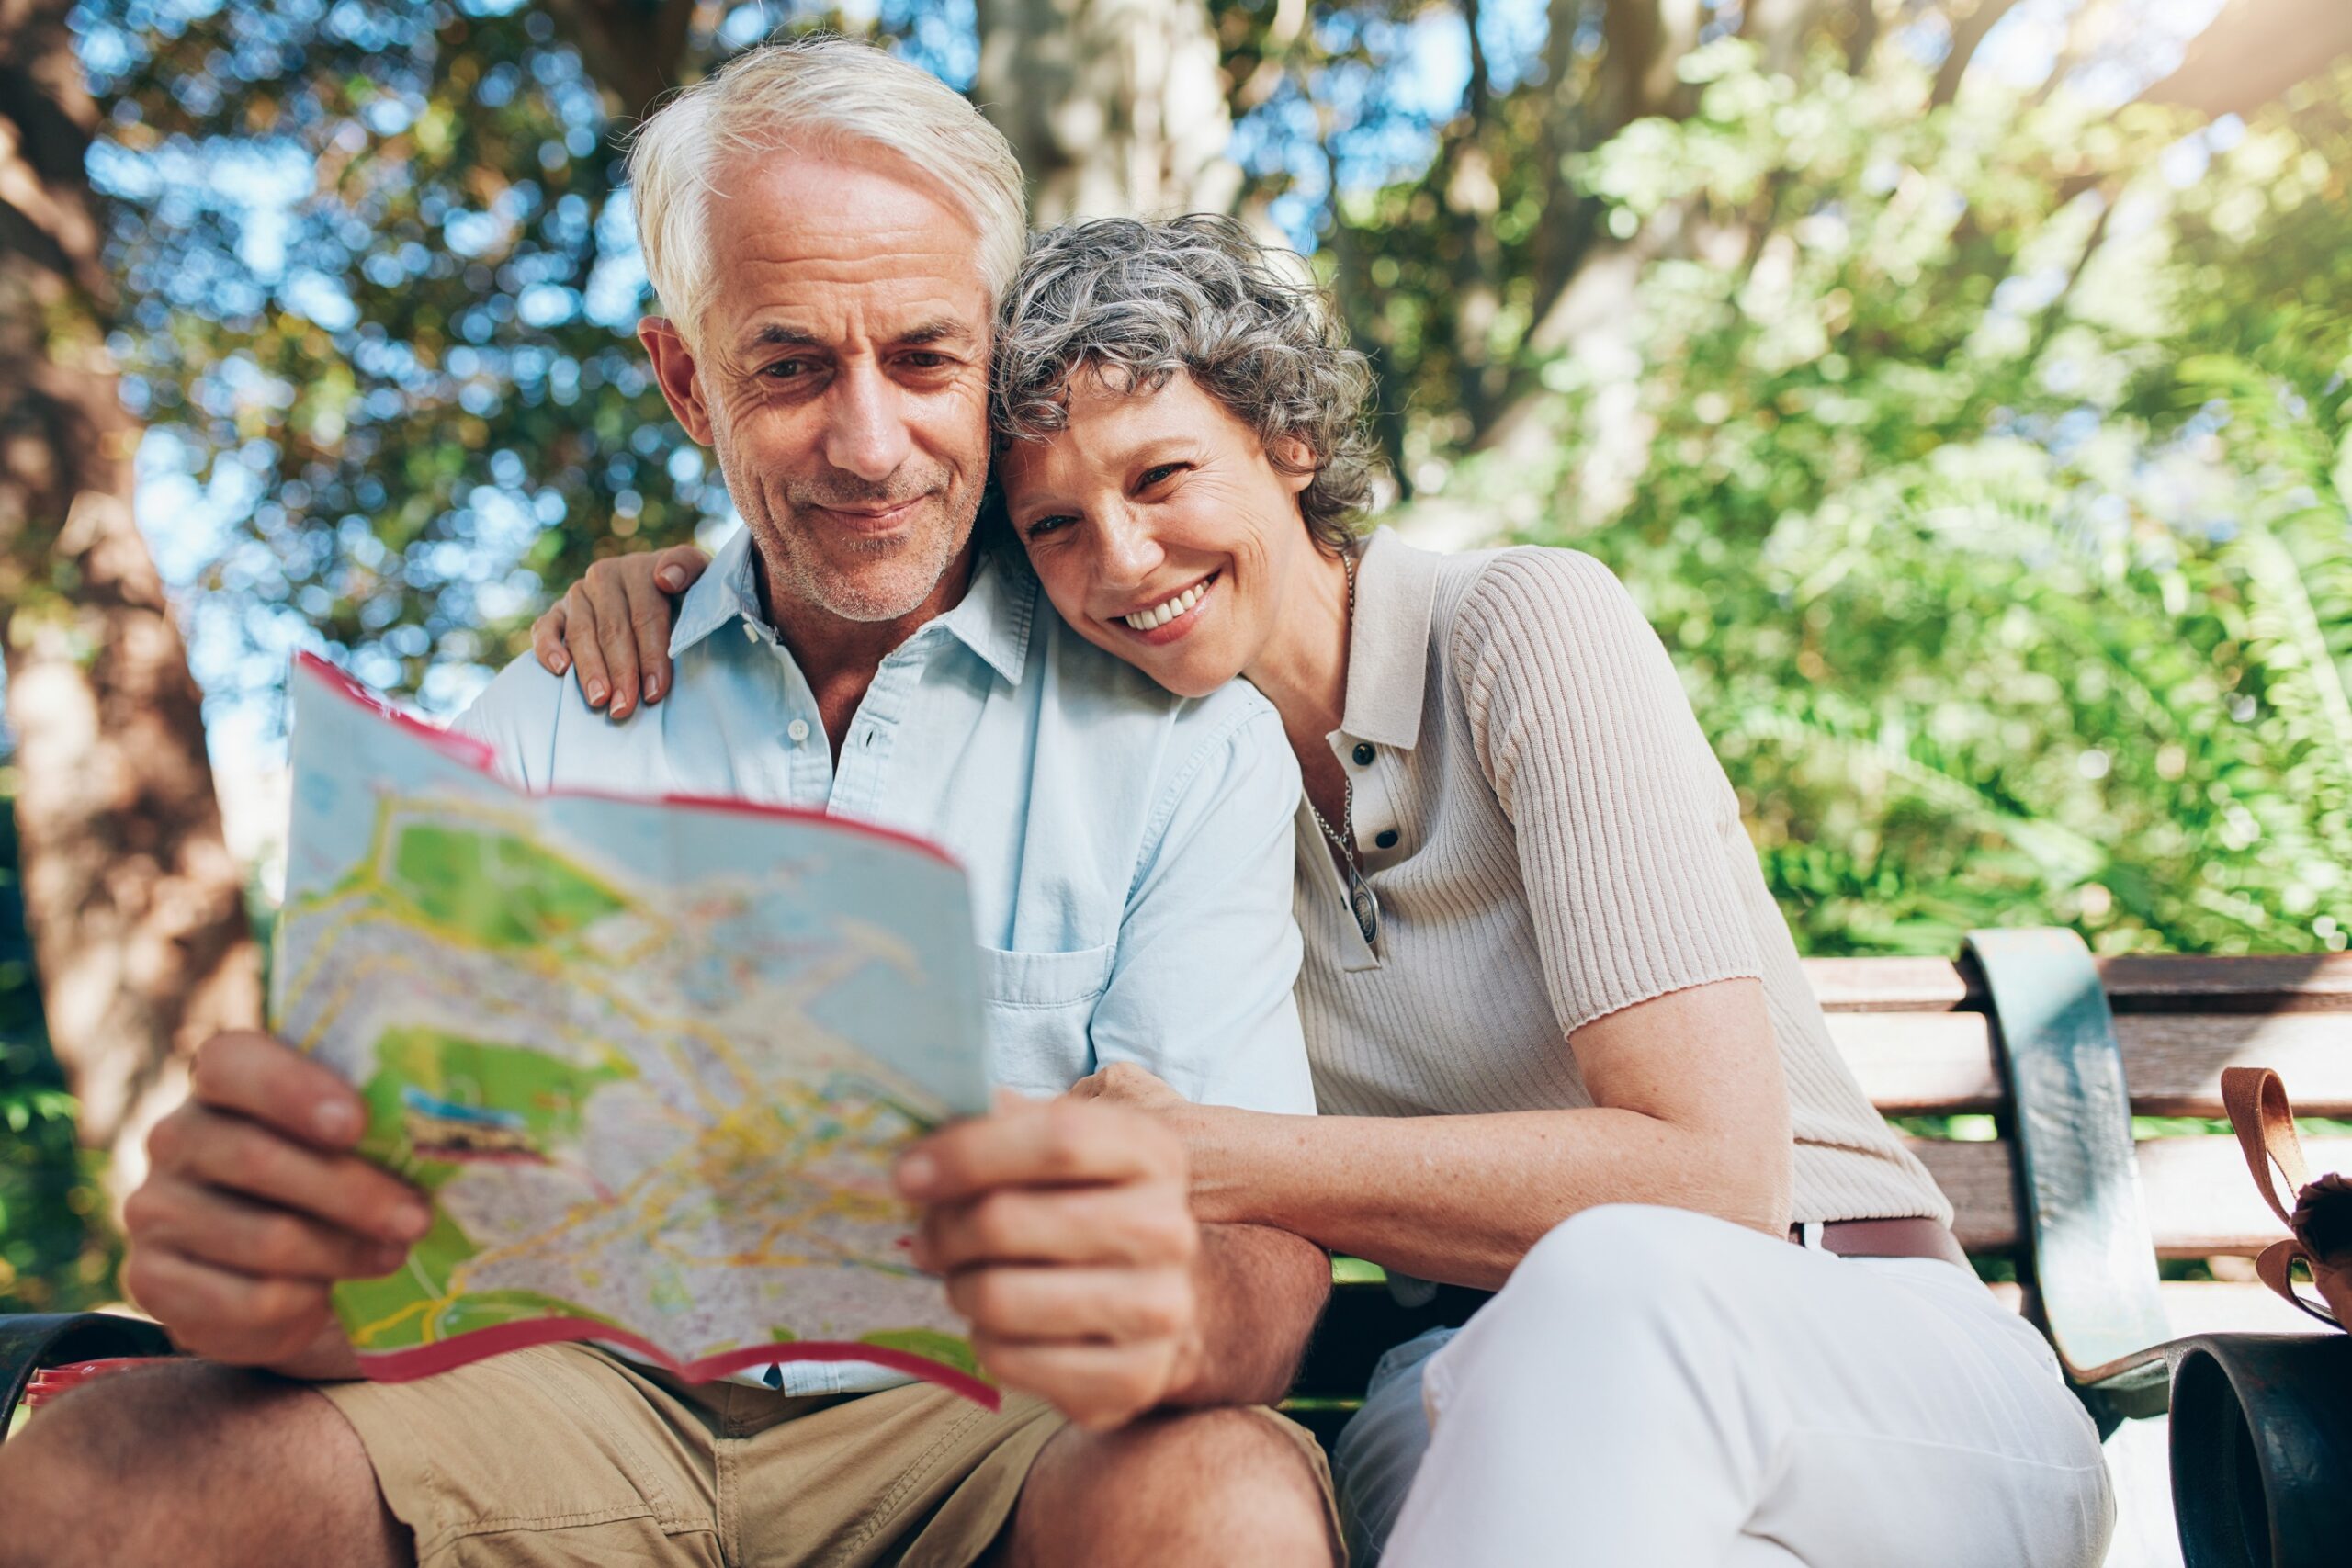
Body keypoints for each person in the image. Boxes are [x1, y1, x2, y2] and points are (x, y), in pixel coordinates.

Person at [549, 215, 2119, 1567]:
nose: (1124, 555)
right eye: (1054, 526)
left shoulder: (1517, 627)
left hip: (1854, 1363)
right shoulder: (1149, 781)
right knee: (1381, 1449)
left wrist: (1215, 1157)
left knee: (1615, 1287)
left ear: (1288, 442)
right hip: (1498, 1400)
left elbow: (1706, 1177)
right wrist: (669, 582)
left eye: (1165, 474)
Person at [0, 43, 1346, 1568]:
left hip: (993, 1419)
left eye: (921, 357)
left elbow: (1254, 1275)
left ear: (994, 355)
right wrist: (270, 1262)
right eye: (788, 368)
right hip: (571, 1404)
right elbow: (359, 1247)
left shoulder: (1182, 738)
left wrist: (1125, 1279)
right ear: (687, 381)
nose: (866, 441)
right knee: (105, 1471)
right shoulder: (549, 721)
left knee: (1218, 1493)